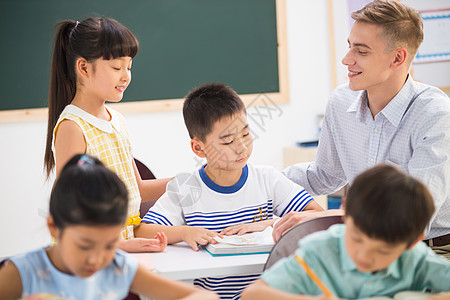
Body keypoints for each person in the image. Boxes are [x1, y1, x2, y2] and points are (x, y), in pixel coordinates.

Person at [275, 0, 450, 258]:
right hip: (363, 244)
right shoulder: (340, 100)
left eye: (361, 51)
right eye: (349, 46)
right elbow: (324, 175)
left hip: (430, 252)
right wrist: (259, 182)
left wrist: (323, 220)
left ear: (397, 57)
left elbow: (411, 219)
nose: (347, 59)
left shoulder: (435, 115)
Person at [134, 82, 323, 299]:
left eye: (245, 134)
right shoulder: (187, 188)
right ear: (199, 148)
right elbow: (143, 231)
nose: (241, 147)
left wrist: (267, 223)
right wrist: (185, 232)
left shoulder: (267, 178)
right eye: (228, 141)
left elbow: (316, 215)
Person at [0, 154, 218, 300]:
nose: (97, 259)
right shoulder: (23, 272)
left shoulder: (118, 267)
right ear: (54, 227)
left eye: (110, 245)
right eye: (85, 246)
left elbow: (204, 297)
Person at [43, 17, 171, 252]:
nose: (126, 76)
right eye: (116, 68)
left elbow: (138, 190)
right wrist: (120, 246)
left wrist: (190, 180)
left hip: (119, 249)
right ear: (83, 67)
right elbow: (71, 211)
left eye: (129, 67)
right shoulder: (73, 127)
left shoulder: (117, 121)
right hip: (86, 255)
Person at [242, 164, 450, 300]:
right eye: (356, 239)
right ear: (345, 209)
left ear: (412, 243)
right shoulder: (319, 253)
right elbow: (252, 294)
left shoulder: (415, 259)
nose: (364, 255)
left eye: (383, 251)